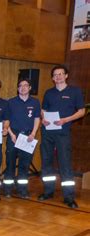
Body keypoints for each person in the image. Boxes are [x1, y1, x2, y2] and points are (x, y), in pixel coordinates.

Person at [38, 65, 85, 208]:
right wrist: (43, 119)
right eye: (55, 75)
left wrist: (66, 120)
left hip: (63, 133)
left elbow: (81, 111)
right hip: (47, 133)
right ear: (52, 78)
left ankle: (69, 197)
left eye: (60, 74)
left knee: (65, 164)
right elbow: (43, 110)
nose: (58, 76)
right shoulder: (48, 93)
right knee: (46, 163)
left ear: (66, 76)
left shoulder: (75, 92)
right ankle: (48, 191)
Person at [3, 78, 40, 198]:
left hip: (28, 137)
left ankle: (22, 190)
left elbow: (37, 119)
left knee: (24, 166)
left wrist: (33, 133)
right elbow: (6, 120)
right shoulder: (11, 102)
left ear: (30, 88)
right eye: (20, 86)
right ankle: (8, 190)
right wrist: (11, 134)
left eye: (25, 85)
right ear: (17, 88)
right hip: (13, 136)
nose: (22, 88)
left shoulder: (35, 102)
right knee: (10, 164)